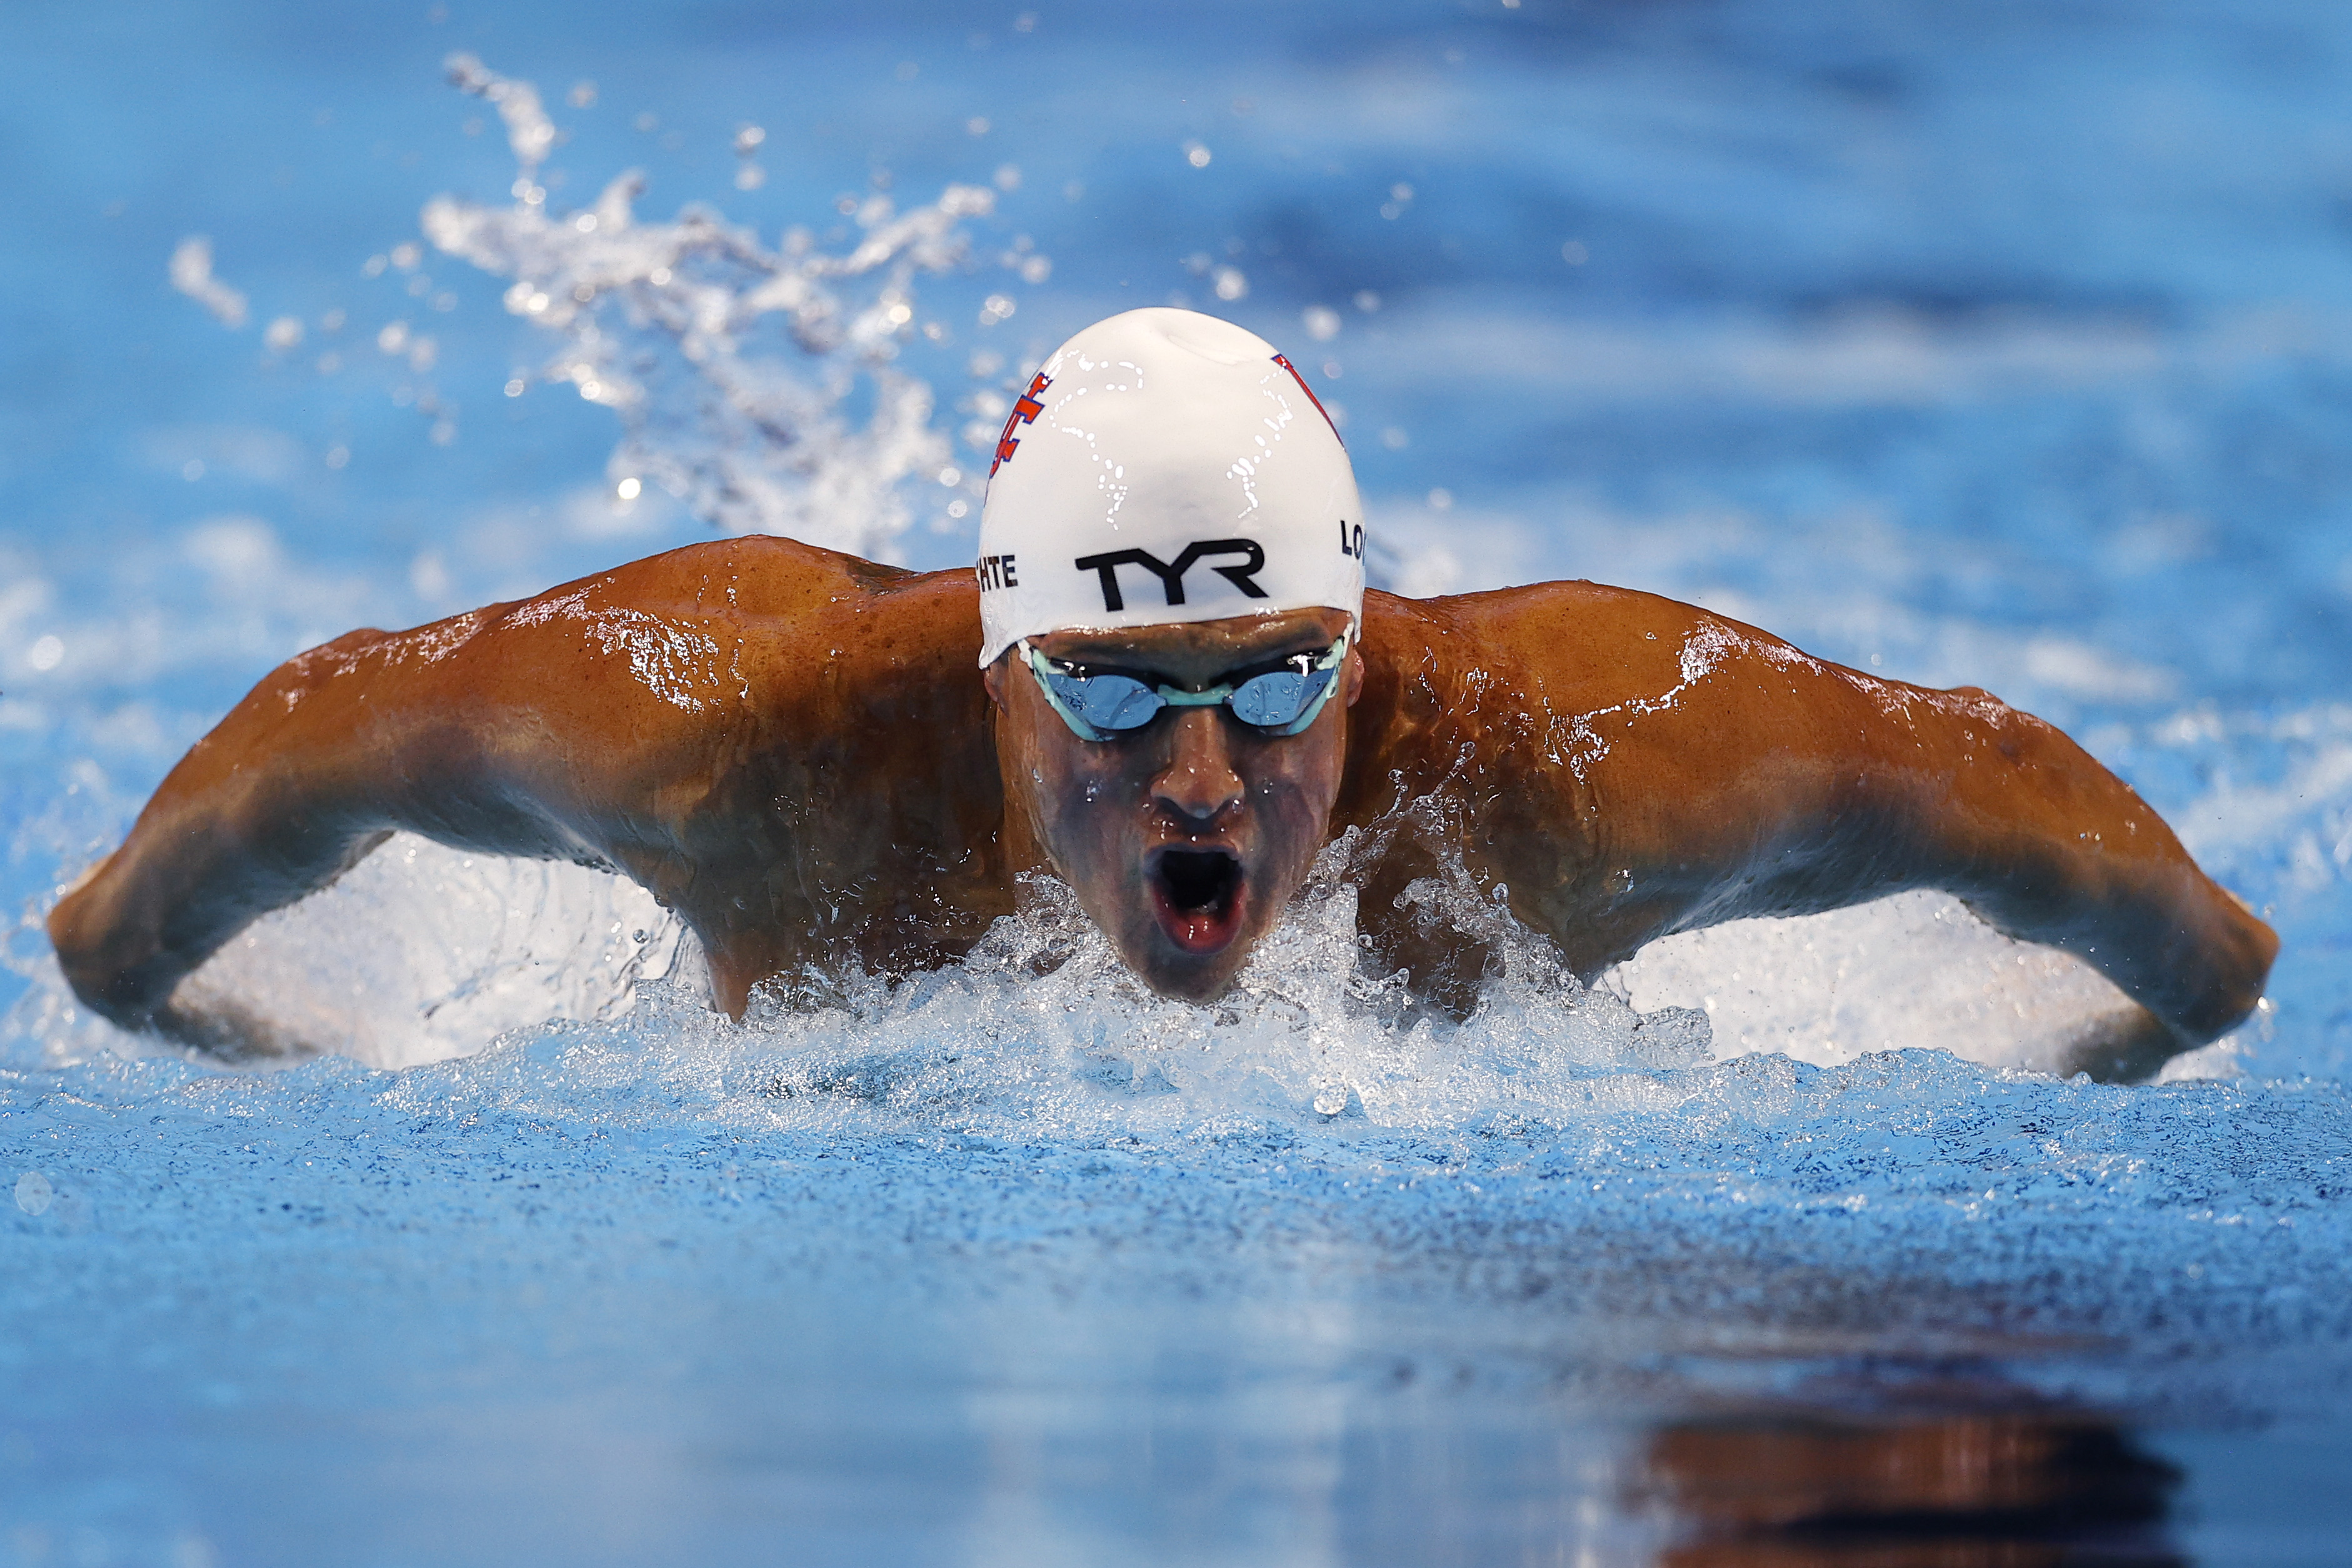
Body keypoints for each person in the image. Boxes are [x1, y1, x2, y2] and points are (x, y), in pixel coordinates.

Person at [47, 309, 2275, 1079]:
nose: (1204, 778)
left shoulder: (1593, 765)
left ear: (1363, 638)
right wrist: (149, 983)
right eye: (1116, 703)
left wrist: (2142, 1029)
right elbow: (338, 723)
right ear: (1005, 667)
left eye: (1274, 682)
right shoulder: (723, 742)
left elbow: (2020, 800)